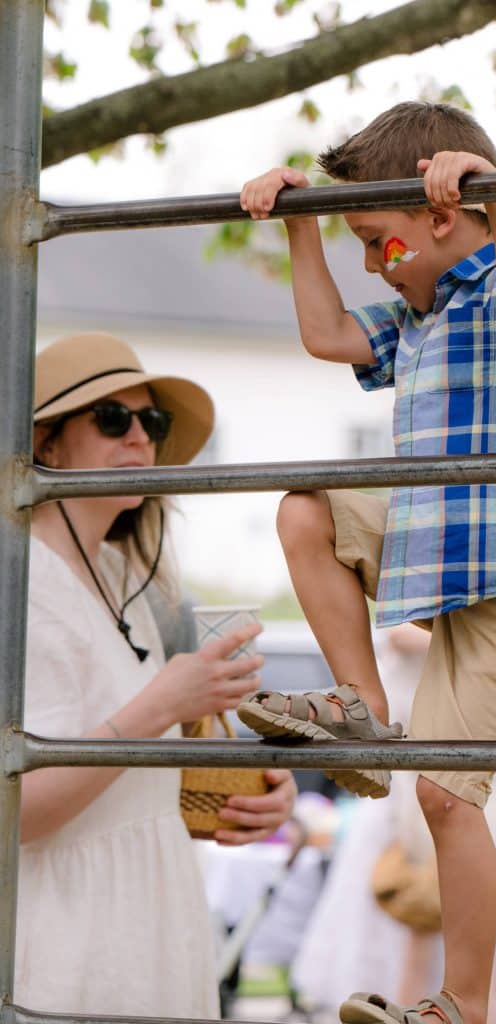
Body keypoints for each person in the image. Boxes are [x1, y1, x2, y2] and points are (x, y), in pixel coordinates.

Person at [237, 101, 496, 1024]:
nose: (368, 260)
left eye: (373, 240)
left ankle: (463, 1004)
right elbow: (327, 336)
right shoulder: (417, 314)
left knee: (443, 795)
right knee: (307, 508)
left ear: (440, 214)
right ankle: (363, 704)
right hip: (441, 551)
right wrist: (303, 232)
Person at [18, 332, 297, 1018]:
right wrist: (160, 706)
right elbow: (20, 811)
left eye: (153, 421)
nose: (140, 437)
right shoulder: (21, 580)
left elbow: (121, 789)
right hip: (66, 937)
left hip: (147, 917)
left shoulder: (126, 584)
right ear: (48, 444)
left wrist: (242, 796)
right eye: (113, 418)